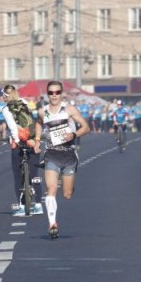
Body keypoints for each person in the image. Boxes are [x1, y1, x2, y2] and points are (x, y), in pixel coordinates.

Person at [35, 81, 90, 239]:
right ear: (47, 94)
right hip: (52, 153)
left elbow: (86, 127)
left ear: (61, 94)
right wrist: (38, 140)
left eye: (57, 92)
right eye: (51, 93)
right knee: (51, 189)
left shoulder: (69, 110)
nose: (54, 96)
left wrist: (73, 135)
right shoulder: (42, 111)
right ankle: (52, 223)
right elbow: (38, 124)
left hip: (69, 154)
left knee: (66, 194)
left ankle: (69, 184)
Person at [0, 84, 42, 216]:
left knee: (18, 176)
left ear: (5, 96)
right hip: (32, 140)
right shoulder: (24, 102)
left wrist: (17, 141)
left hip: (20, 142)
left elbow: (13, 128)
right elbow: (32, 120)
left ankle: (21, 207)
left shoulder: (6, 109)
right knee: (35, 174)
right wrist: (34, 140)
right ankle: (39, 205)